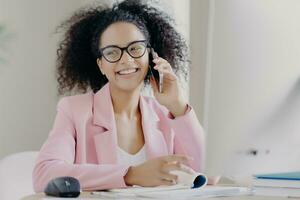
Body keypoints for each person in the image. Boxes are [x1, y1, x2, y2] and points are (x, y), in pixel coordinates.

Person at [32, 0, 209, 192]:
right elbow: (45, 175)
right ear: (101, 65)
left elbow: (199, 168)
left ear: (150, 55)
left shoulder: (165, 114)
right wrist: (132, 174)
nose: (126, 59)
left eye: (135, 48)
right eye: (112, 52)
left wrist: (177, 105)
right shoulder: (75, 111)